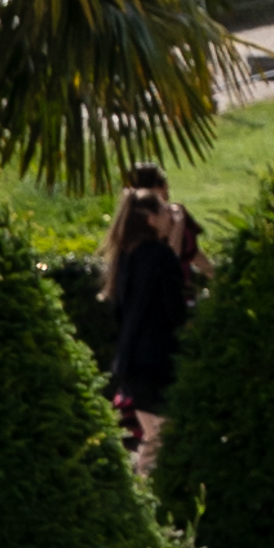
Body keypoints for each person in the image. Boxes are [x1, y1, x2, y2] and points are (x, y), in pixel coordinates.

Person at [96, 170, 201, 458]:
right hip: (158, 358)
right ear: (151, 219)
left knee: (153, 437)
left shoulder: (125, 257)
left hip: (131, 359)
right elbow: (173, 308)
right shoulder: (160, 256)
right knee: (165, 435)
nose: (172, 217)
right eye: (167, 212)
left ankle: (140, 488)